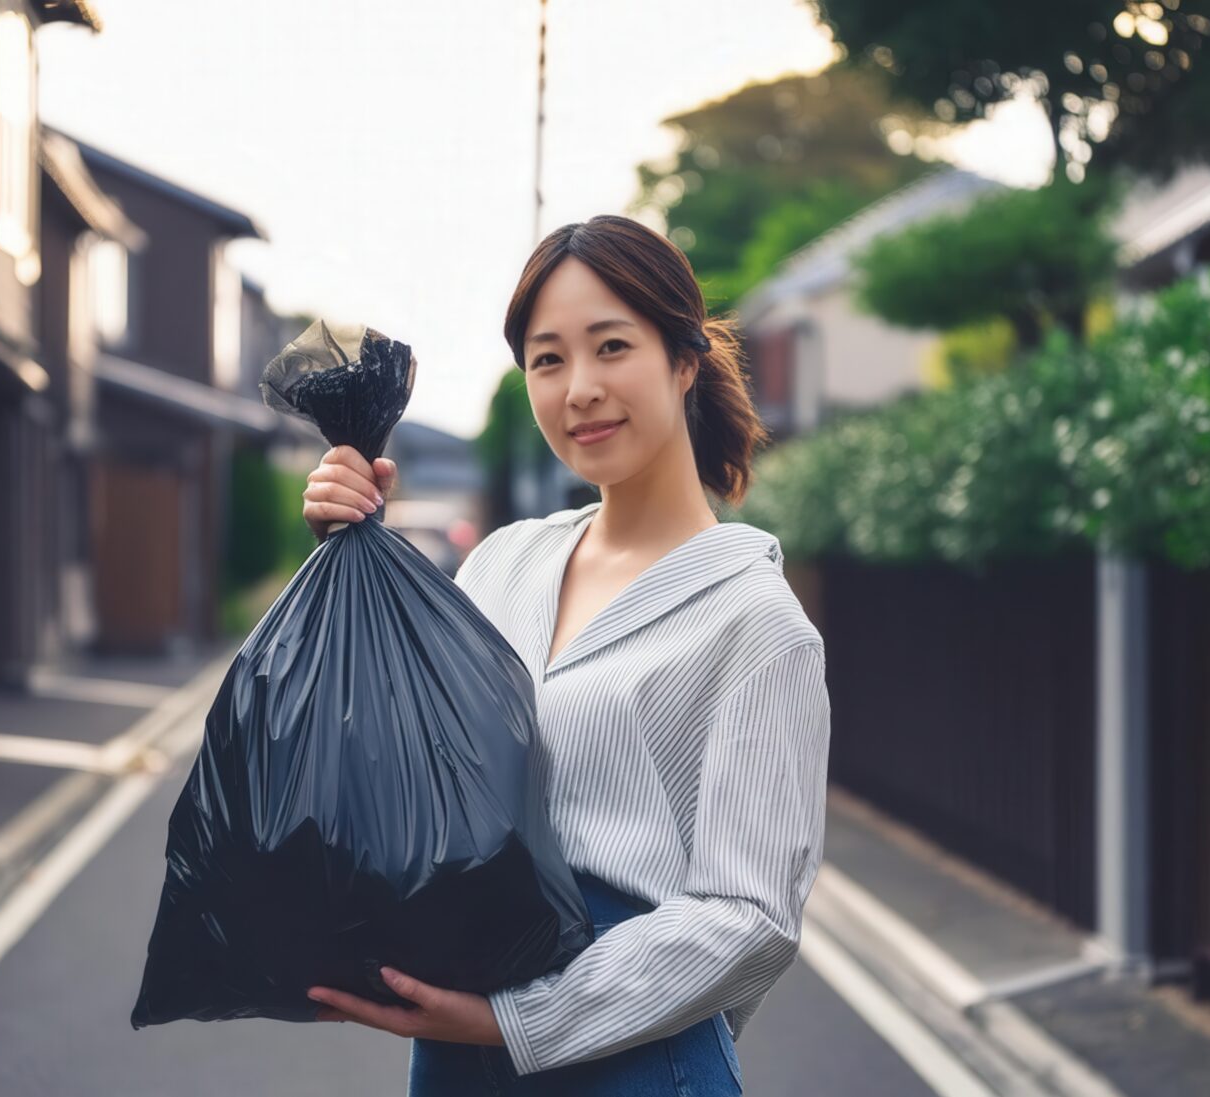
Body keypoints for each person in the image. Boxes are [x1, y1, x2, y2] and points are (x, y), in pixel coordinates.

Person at [300, 214, 831, 1095]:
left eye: (611, 345)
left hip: (634, 1056)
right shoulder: (503, 564)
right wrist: (351, 553)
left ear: (684, 360)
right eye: (548, 359)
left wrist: (519, 1019)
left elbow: (751, 916)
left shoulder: (758, 622)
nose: (580, 387)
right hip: (460, 1045)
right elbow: (399, 761)